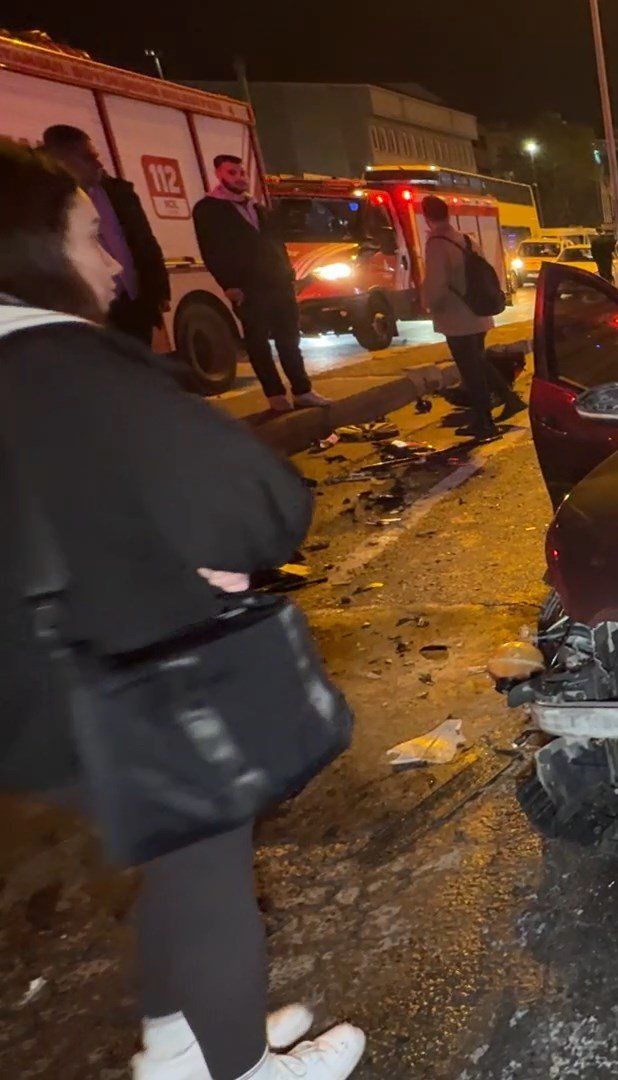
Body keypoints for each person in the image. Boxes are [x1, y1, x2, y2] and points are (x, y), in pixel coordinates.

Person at [0, 142, 366, 1080]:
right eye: (90, 235)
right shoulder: (65, 364)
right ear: (33, 249)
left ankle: (179, 1041)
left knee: (172, 849)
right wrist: (222, 553)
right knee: (205, 862)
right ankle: (240, 1066)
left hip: (28, 691)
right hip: (104, 677)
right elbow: (258, 500)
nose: (113, 262)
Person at [192, 155, 322, 412]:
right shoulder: (208, 209)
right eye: (232, 173)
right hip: (247, 287)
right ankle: (275, 395)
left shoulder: (257, 207)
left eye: (241, 172)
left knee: (289, 340)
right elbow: (211, 250)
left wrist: (289, 275)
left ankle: (302, 390)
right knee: (258, 343)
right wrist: (228, 284)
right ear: (219, 175)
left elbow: (276, 243)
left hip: (279, 284)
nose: (239, 178)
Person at [39, 124, 170, 347]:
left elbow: (145, 242)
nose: (98, 165)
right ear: (60, 160)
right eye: (87, 158)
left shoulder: (119, 193)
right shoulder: (45, 203)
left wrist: (159, 290)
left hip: (134, 302)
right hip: (91, 312)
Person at [420, 195, 523, 438]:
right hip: (479, 314)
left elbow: (437, 284)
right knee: (479, 361)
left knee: (470, 370)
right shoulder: (466, 239)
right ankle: (510, 399)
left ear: (426, 217)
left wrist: (428, 305)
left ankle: (484, 421)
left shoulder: (436, 243)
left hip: (458, 319)